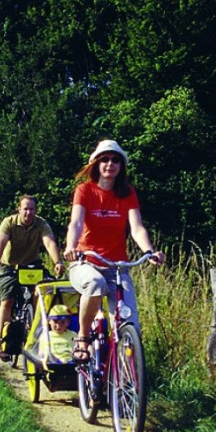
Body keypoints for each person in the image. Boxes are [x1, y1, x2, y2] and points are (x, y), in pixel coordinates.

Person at [62, 140, 165, 362]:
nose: (111, 164)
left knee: (130, 325)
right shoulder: (85, 190)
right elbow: (76, 223)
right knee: (95, 284)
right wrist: (71, 247)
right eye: (105, 159)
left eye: (116, 160)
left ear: (122, 166)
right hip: (86, 261)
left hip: (117, 267)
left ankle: (124, 377)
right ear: (97, 164)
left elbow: (136, 228)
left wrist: (149, 251)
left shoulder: (127, 193)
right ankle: (82, 337)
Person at [0, 195, 64, 359]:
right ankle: (3, 340)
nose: (28, 212)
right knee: (6, 300)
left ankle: (36, 330)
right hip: (10, 266)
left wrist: (57, 262)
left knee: (45, 293)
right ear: (19, 209)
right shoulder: (9, 222)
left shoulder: (41, 224)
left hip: (32, 265)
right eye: (25, 209)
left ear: (36, 211)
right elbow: (0, 242)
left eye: (32, 209)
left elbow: (49, 242)